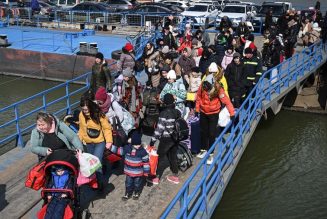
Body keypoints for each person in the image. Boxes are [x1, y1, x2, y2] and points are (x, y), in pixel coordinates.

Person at [195, 65, 235, 165]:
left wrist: (232, 113)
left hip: (213, 113)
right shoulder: (202, 87)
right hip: (204, 112)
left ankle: (211, 154)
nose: (207, 92)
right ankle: (204, 149)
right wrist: (197, 109)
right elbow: (198, 97)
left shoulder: (218, 88)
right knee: (203, 132)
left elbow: (226, 101)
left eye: (208, 90)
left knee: (211, 134)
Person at [78, 98, 113, 190]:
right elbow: (81, 129)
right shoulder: (81, 115)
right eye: (83, 109)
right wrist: (79, 142)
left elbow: (106, 128)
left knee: (97, 164)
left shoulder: (99, 114)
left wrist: (109, 141)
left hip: (99, 142)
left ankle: (100, 185)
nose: (84, 111)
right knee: (91, 165)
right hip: (88, 143)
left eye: (86, 109)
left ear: (90, 107)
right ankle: (94, 182)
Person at [148, 93, 181, 185]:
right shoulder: (177, 112)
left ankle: (156, 178)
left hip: (166, 139)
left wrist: (153, 140)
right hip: (175, 138)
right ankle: (175, 176)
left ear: (165, 102)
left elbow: (159, 129)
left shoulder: (164, 113)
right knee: (173, 157)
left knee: (160, 158)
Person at [109, 132, 149, 200]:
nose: (138, 146)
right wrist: (111, 147)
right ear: (132, 143)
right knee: (128, 183)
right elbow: (119, 151)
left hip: (138, 173)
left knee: (137, 184)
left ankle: (136, 192)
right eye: (136, 144)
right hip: (128, 172)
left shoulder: (143, 151)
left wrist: (146, 172)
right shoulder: (127, 148)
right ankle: (127, 193)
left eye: (139, 144)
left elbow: (146, 162)